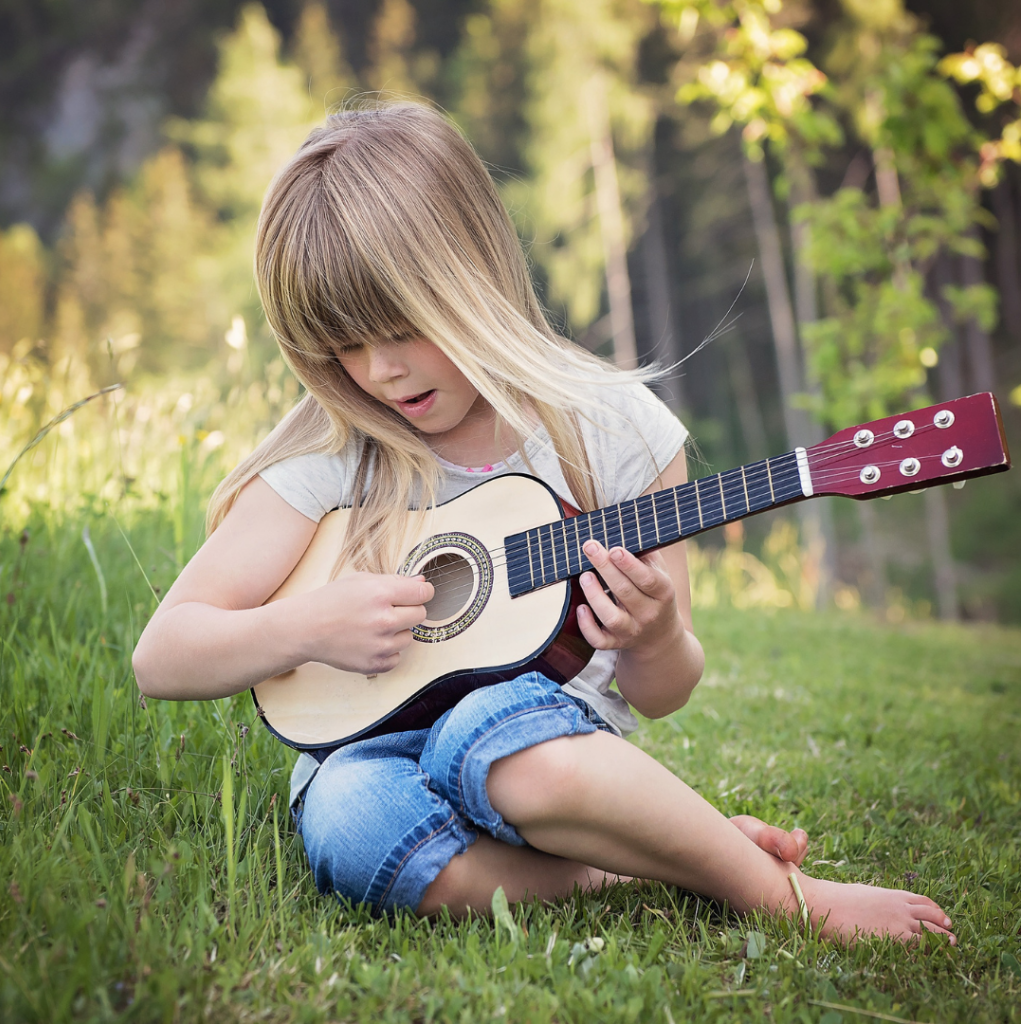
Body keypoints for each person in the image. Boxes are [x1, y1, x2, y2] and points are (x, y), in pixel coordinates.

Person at [132, 103, 955, 946]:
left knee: (490, 735)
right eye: (344, 346)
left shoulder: (613, 429)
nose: (379, 371)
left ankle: (782, 895)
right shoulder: (336, 451)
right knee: (345, 823)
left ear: (472, 274)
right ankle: (652, 858)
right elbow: (162, 655)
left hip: (545, 748)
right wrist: (303, 626)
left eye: (403, 328)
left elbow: (661, 692)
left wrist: (655, 635)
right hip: (368, 752)